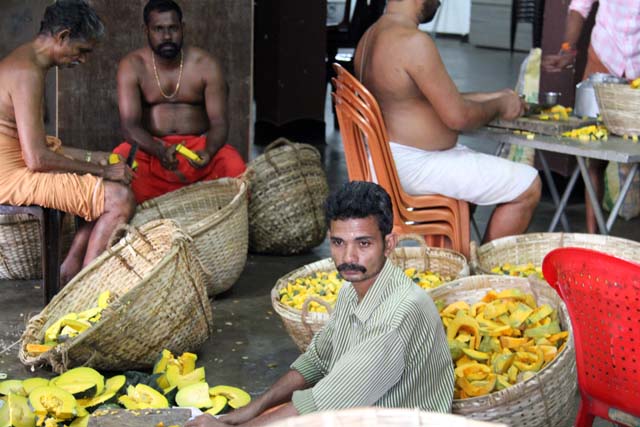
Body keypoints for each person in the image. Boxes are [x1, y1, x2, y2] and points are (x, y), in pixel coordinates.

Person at [186, 181, 454, 427]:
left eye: (363, 243)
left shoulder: (398, 316)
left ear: (388, 244)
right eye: (338, 243)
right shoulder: (353, 291)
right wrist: (249, 411)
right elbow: (316, 361)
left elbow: (326, 403)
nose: (348, 256)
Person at [353, 0, 542, 243]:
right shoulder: (412, 42)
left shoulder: (370, 36)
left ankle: (455, 261)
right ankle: (480, 276)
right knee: (527, 185)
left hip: (384, 160)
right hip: (413, 167)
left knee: (474, 183)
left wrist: (494, 96)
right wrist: (501, 106)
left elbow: (422, 100)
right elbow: (458, 117)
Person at [0, 0, 136, 285]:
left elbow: (36, 146)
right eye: (82, 50)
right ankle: (85, 288)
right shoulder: (27, 72)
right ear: (62, 36)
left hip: (16, 165)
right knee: (119, 198)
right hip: (9, 177)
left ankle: (70, 270)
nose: (83, 59)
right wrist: (104, 170)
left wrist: (93, 158)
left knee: (91, 176)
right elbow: (36, 159)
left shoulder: (27, 60)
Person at [114, 0, 246, 203]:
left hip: (197, 150)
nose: (167, 36)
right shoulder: (132, 65)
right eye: (158, 29)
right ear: (146, 30)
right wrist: (159, 150)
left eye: (173, 28)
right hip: (150, 149)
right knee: (120, 163)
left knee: (233, 165)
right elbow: (130, 125)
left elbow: (219, 122)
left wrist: (209, 152)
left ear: (182, 28)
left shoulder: (206, 65)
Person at [542, 0, 640, 233]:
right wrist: (567, 48)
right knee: (593, 156)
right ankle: (593, 236)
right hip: (604, 58)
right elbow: (580, 6)